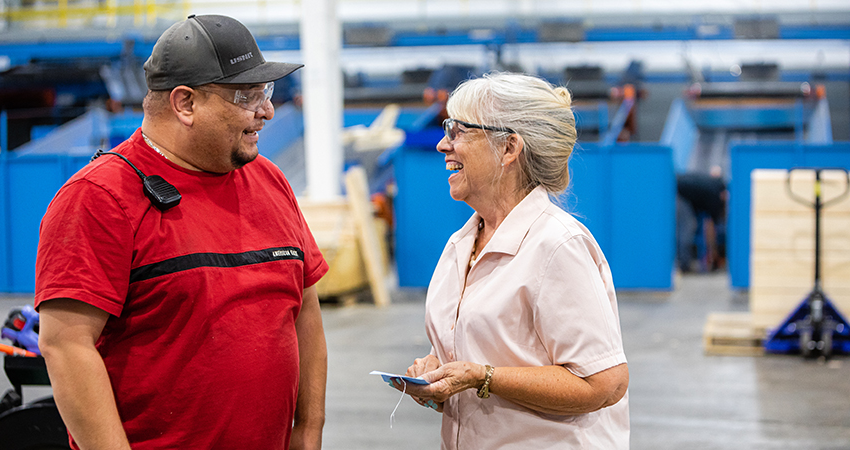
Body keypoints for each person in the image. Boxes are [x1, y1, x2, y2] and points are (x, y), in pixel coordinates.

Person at [34, 15, 328, 450]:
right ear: (185, 104)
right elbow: (66, 345)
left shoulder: (269, 180)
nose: (266, 110)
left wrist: (308, 431)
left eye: (264, 93)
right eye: (246, 96)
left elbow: (304, 310)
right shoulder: (99, 198)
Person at [392, 72, 629, 448]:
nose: (442, 146)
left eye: (458, 131)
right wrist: (439, 367)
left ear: (508, 148)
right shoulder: (461, 243)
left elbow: (603, 382)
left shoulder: (556, 246)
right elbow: (498, 346)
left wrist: (481, 376)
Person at [676, 167, 728, 273]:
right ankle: (684, 265)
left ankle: (684, 263)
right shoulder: (715, 196)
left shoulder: (717, 184)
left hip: (680, 187)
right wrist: (714, 254)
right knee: (687, 227)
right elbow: (710, 227)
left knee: (687, 227)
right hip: (678, 193)